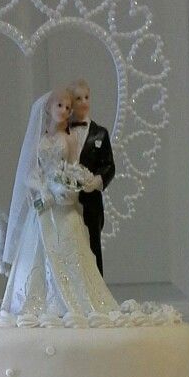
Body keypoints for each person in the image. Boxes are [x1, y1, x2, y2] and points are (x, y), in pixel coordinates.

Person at [0, 88, 117, 318]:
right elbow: (30, 172)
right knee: (37, 249)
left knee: (71, 248)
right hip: (44, 204)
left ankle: (73, 301)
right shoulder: (39, 139)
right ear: (48, 108)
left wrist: (67, 186)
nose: (64, 111)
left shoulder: (70, 139)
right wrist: (43, 189)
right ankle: (36, 300)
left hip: (64, 204)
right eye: (60, 106)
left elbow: (74, 168)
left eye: (67, 107)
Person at [68, 78, 115, 276]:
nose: (84, 102)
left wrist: (96, 181)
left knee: (93, 243)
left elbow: (109, 165)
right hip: (68, 200)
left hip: (91, 200)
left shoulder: (100, 134)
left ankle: (98, 289)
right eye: (78, 98)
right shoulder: (63, 131)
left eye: (86, 97)